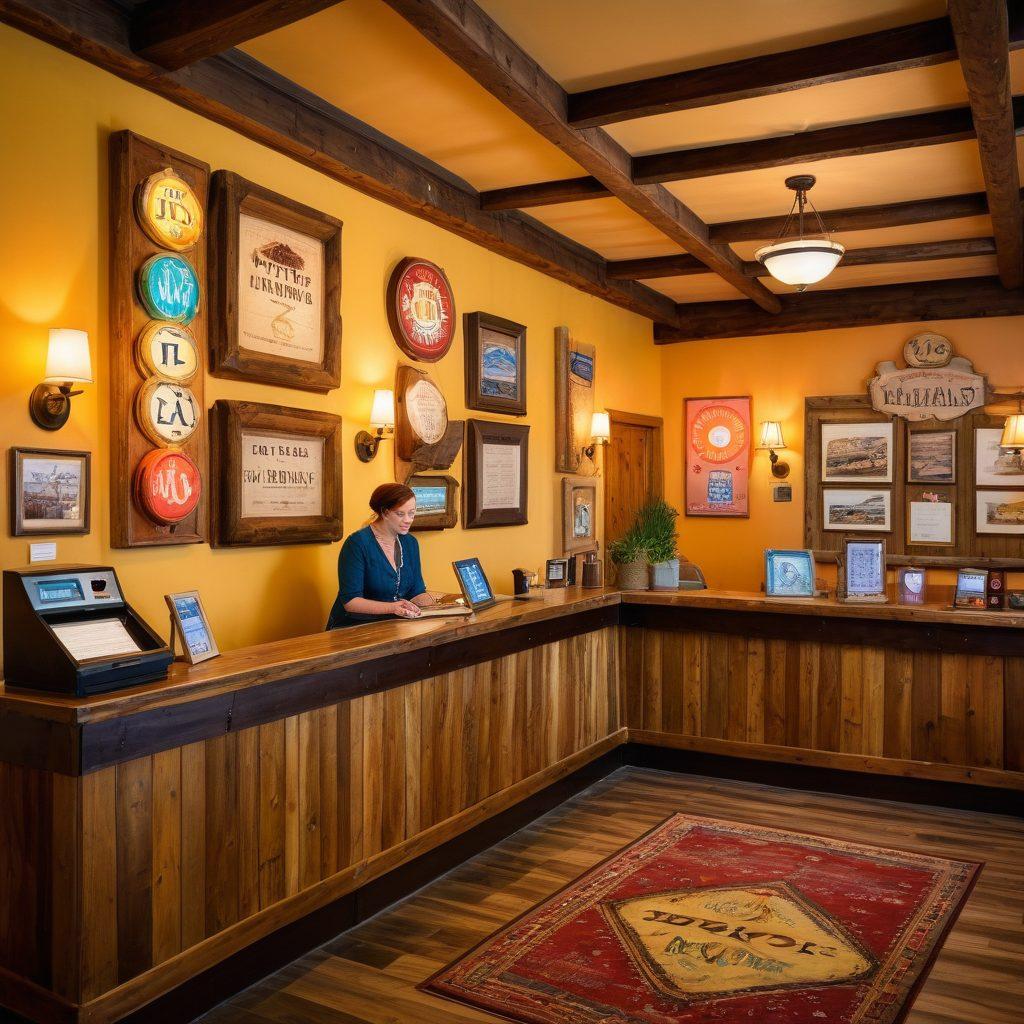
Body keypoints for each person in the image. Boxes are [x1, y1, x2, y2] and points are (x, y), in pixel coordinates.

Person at [326, 482, 436, 629]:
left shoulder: (410, 543)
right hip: (354, 628)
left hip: (394, 627)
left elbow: (416, 592)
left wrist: (448, 602)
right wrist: (393, 608)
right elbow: (351, 602)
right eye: (400, 514)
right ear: (385, 512)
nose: (408, 520)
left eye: (412, 513)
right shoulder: (357, 543)